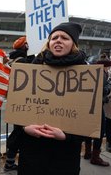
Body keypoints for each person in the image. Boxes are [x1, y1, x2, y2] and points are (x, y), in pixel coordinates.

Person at [17, 22, 86, 175]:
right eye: (54, 37)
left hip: (64, 157)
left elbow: (90, 117)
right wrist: (24, 128)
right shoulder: (35, 66)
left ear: (73, 44)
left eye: (65, 38)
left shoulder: (86, 73)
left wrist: (67, 136)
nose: (58, 40)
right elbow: (19, 106)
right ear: (49, 42)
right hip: (32, 152)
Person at [4, 36, 34, 172]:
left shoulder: (14, 60)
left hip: (17, 102)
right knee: (20, 133)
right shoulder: (23, 61)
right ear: (25, 47)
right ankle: (10, 163)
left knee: (18, 132)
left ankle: (9, 161)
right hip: (24, 103)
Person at [83, 54, 111, 166]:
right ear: (104, 66)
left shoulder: (92, 72)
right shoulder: (103, 75)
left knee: (89, 130)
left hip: (89, 106)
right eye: (108, 67)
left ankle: (87, 153)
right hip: (98, 106)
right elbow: (102, 91)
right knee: (100, 132)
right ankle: (95, 157)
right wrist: (110, 86)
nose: (109, 69)